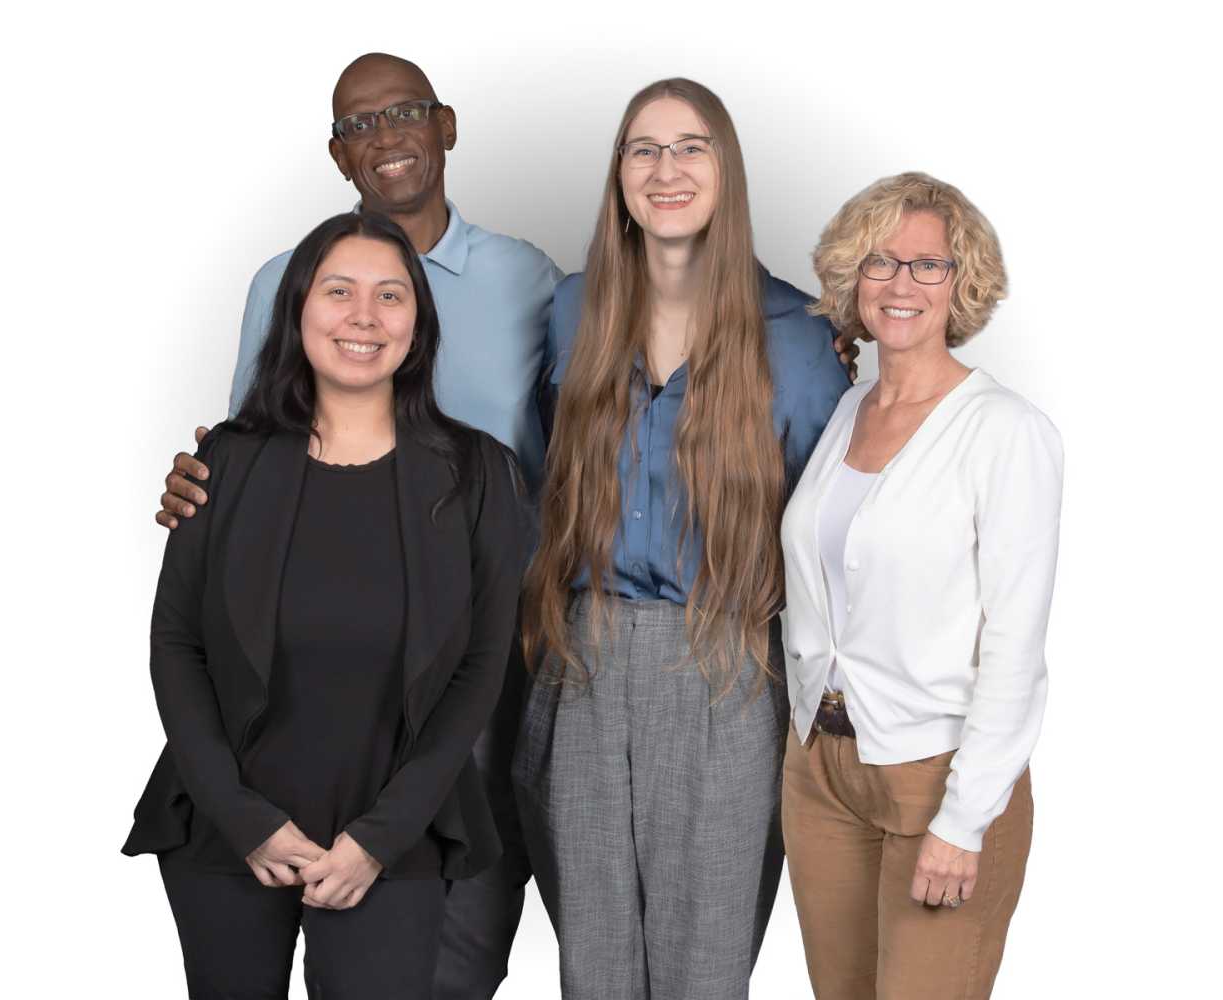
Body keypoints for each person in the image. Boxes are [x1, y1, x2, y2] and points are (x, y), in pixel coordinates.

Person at [152, 52, 560, 999]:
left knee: (451, 953)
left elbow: (626, 369)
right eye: (360, 125)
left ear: (447, 124)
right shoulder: (272, 299)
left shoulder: (531, 285)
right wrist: (194, 485)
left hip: (459, 668)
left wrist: (807, 328)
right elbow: (225, 540)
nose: (386, 138)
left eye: (406, 112)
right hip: (266, 744)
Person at [512, 79, 851, 1000]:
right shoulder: (574, 311)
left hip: (726, 655)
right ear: (618, 173)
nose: (666, 169)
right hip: (584, 650)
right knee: (593, 954)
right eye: (643, 149)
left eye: (691, 146)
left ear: (727, 170)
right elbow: (539, 469)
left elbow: (830, 527)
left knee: (704, 958)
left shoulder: (796, 337)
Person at [779, 172, 1063, 1000]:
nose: (900, 285)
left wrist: (965, 817)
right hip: (820, 767)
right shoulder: (848, 410)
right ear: (851, 277)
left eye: (927, 266)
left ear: (961, 281)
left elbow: (1015, 641)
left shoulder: (1005, 431)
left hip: (936, 774)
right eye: (879, 262)